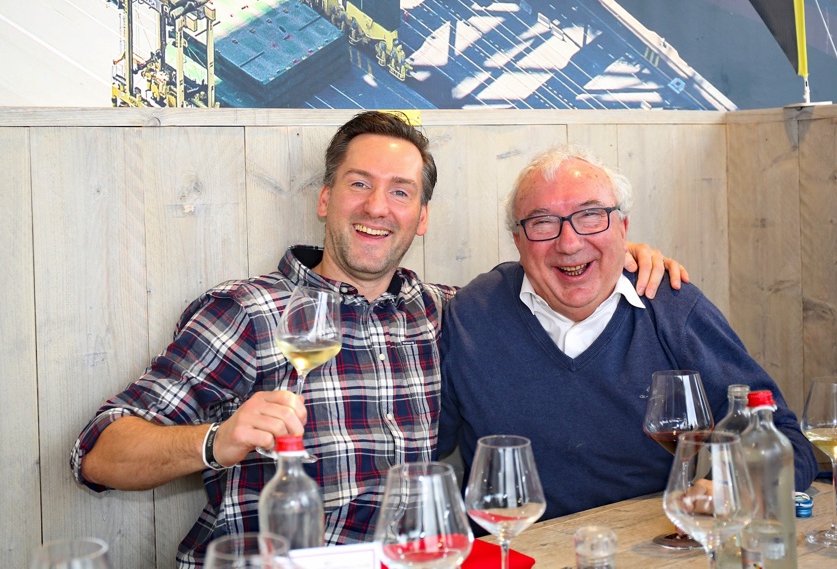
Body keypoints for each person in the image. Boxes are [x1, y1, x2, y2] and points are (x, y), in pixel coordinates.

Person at [70, 112, 684, 567]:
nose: (377, 207)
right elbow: (97, 450)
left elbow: (559, 277)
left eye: (400, 191)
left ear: (422, 217)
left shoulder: (455, 313)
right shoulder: (248, 310)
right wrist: (216, 440)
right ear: (326, 199)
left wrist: (616, 255)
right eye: (359, 184)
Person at [436, 144, 818, 525]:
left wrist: (732, 488)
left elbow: (782, 440)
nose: (569, 243)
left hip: (649, 543)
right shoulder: (472, 315)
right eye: (543, 223)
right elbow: (422, 447)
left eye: (591, 216)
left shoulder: (671, 307)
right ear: (518, 240)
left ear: (623, 228)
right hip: (513, 547)